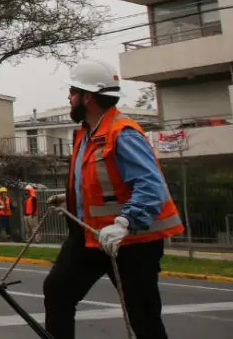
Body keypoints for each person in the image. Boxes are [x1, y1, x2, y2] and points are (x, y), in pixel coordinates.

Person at [43, 59, 183, 339]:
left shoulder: (122, 133)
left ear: (88, 97)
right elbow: (102, 181)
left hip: (132, 242)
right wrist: (70, 198)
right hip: (91, 237)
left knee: (143, 316)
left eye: (73, 91)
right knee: (58, 290)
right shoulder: (86, 133)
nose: (69, 98)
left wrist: (125, 222)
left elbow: (150, 184)